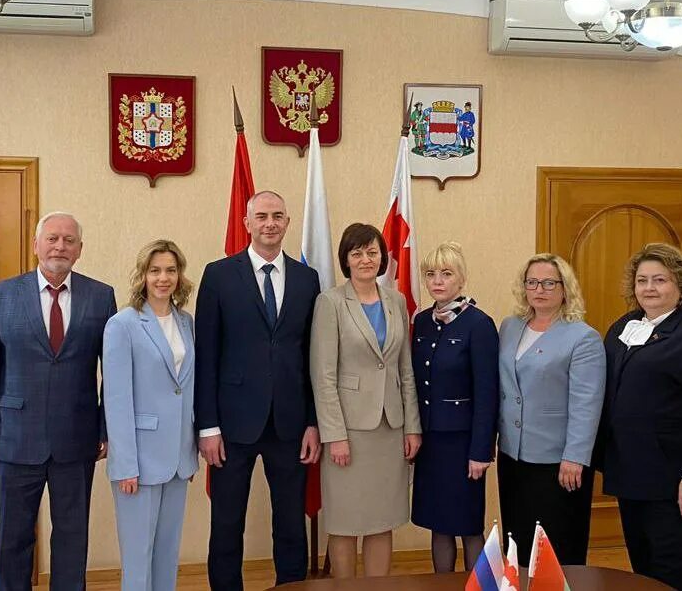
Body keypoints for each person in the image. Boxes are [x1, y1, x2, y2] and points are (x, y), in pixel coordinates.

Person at [0, 211, 117, 591]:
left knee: (72, 535)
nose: (60, 246)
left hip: (77, 437)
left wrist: (106, 428)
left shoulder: (101, 296)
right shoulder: (1, 295)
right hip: (14, 438)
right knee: (13, 537)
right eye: (52, 238)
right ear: (36, 245)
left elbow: (114, 372)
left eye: (69, 240)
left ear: (80, 249)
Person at [195, 190, 323, 590]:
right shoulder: (218, 275)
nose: (270, 223)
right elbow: (206, 354)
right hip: (232, 424)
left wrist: (313, 422)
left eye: (277, 216)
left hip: (290, 423)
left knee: (290, 523)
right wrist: (208, 427)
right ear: (247, 222)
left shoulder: (307, 279)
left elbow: (312, 356)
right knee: (227, 522)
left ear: (287, 223)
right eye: (262, 216)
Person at [598, 243, 682, 591]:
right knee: (644, 572)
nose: (649, 288)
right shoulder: (623, 328)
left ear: (681, 284)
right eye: (642, 280)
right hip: (633, 476)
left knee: (679, 574)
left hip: (677, 482)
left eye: (660, 280)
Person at [310, 223, 421, 578]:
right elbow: (323, 376)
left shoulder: (396, 301)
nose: (365, 259)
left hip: (390, 429)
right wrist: (335, 435)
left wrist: (412, 427)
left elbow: (405, 370)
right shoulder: (330, 302)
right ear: (345, 259)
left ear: (382, 257)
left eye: (372, 252)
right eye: (357, 253)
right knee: (345, 520)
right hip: (349, 432)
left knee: (382, 519)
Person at [496, 253, 605, 565]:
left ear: (564, 288)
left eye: (548, 283)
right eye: (532, 282)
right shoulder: (510, 327)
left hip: (558, 461)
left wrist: (575, 457)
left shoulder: (583, 337)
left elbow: (587, 403)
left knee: (556, 546)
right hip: (513, 455)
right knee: (518, 540)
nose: (539, 290)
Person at [103, 240, 198, 591]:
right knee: (138, 557)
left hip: (178, 458)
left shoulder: (186, 322)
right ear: (142, 275)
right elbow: (116, 399)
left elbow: (184, 390)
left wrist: (189, 450)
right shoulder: (123, 324)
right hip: (139, 461)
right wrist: (125, 464)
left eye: (171, 270)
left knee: (167, 553)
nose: (163, 278)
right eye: (155, 270)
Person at [410, 241, 499, 572]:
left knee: (468, 524)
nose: (437, 281)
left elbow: (487, 393)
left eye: (446, 273)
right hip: (431, 441)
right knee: (439, 522)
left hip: (463, 445)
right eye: (431, 274)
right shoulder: (422, 322)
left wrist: (481, 451)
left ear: (461, 278)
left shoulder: (479, 324)